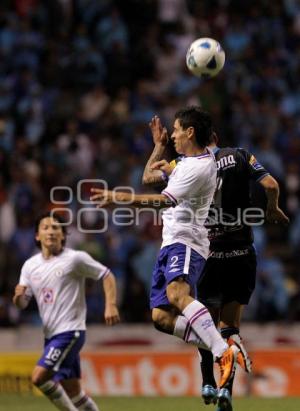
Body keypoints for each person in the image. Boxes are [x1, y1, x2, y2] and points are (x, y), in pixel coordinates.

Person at [142, 122, 289, 410]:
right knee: (228, 327)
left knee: (202, 321)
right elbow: (271, 185)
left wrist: (158, 145)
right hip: (241, 252)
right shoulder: (241, 156)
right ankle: (226, 392)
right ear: (217, 138)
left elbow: (148, 177)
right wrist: (271, 208)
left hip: (208, 251)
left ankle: (207, 380)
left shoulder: (183, 163)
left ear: (192, 135)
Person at [90, 106, 239, 390]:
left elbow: (163, 201)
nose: (173, 136)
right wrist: (158, 148)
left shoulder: (197, 168)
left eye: (177, 130)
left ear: (190, 132)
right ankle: (218, 343)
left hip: (187, 241)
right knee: (160, 317)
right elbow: (148, 176)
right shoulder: (184, 162)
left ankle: (222, 351)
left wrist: (117, 197)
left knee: (176, 294)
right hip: (170, 242)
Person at [13, 212, 120, 411]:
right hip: (51, 336)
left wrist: (110, 304)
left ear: (63, 235)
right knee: (74, 392)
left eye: (56, 228)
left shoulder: (75, 259)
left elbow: (106, 275)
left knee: (39, 378)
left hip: (70, 331)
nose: (51, 231)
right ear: (37, 235)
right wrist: (18, 297)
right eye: (46, 227)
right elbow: (23, 304)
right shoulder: (30, 266)